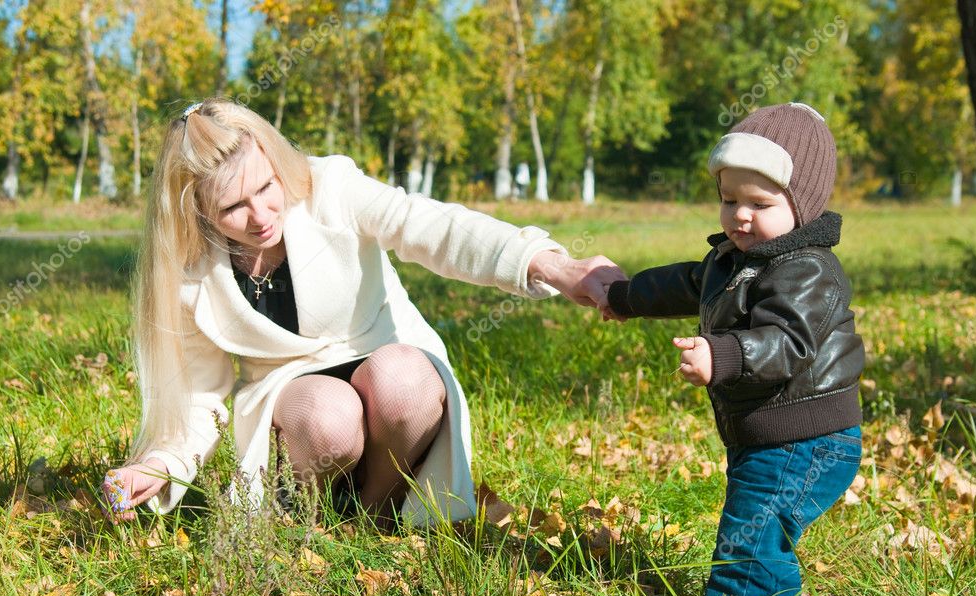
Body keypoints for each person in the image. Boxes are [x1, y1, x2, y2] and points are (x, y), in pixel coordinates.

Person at [102, 98, 624, 526]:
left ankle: (375, 516)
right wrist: (161, 464)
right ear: (198, 211)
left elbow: (431, 226)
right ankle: (310, 510)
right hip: (300, 415)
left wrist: (552, 265)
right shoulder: (192, 272)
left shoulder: (329, 186)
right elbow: (199, 395)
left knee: (407, 382)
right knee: (327, 415)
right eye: (233, 208)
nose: (261, 216)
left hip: (388, 374)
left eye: (266, 188)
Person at [603, 103, 865, 596]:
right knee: (753, 525)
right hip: (770, 432)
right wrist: (625, 297)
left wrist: (722, 356)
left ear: (802, 205)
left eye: (760, 204)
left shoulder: (808, 270)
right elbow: (686, 282)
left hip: (808, 439)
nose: (739, 216)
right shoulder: (736, 258)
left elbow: (789, 342)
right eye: (729, 199)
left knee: (754, 536)